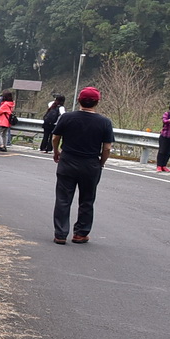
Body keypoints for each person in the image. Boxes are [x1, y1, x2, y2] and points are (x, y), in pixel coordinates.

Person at [51, 86, 114, 244]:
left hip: (68, 161)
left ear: (79, 100)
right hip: (90, 164)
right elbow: (107, 147)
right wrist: (101, 163)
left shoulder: (67, 117)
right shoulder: (105, 122)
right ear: (97, 102)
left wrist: (56, 152)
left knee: (63, 199)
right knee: (87, 199)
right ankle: (80, 233)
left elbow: (55, 137)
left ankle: (60, 234)